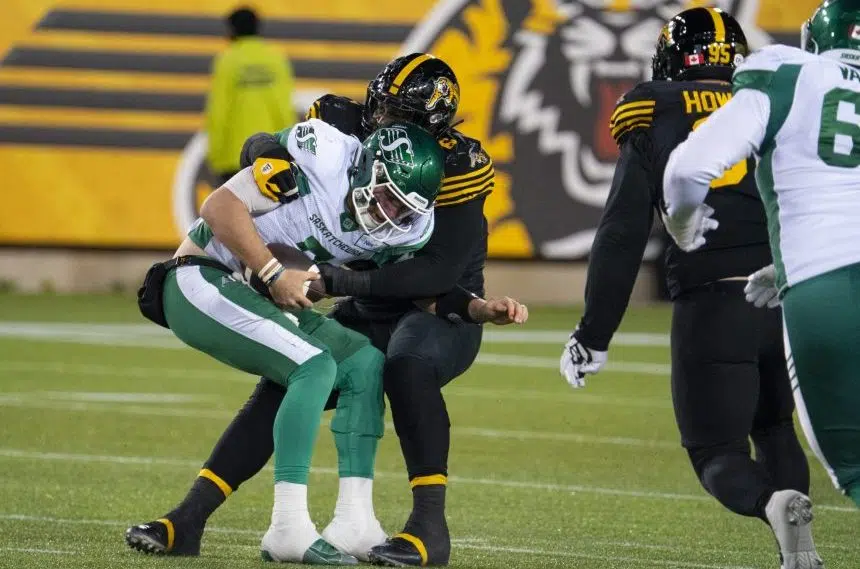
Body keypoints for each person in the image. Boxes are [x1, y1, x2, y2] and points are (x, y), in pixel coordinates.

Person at [127, 53, 527, 567]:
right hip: (321, 287)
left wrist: (473, 307)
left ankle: (422, 526)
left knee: (403, 365)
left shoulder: (439, 183)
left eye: (397, 115)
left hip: (430, 304)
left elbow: (433, 277)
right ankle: (196, 517)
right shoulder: (337, 142)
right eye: (381, 108)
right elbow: (261, 160)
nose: (379, 121)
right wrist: (265, 152)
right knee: (297, 378)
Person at [558, 7, 821, 569]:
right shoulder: (773, 96)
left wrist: (593, 333)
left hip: (715, 299)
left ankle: (771, 503)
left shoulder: (655, 105)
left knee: (715, 452)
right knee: (775, 427)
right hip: (789, 294)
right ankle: (802, 550)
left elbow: (622, 234)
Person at [130, 119, 445, 565]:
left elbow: (410, 282)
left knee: (364, 362)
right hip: (199, 277)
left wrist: (475, 308)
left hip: (266, 294)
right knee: (315, 366)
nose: (390, 216)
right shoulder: (320, 159)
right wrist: (273, 272)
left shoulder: (406, 229)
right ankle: (289, 527)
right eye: (388, 197)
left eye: (403, 209)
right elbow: (218, 207)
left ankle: (355, 522)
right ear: (366, 168)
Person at [663, 0, 860, 515]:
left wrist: (682, 227)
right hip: (819, 271)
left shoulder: (788, 71)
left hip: (825, 286)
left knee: (853, 463)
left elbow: (687, 171)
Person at [205, 6, 296, 185]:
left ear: (232, 30)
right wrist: (289, 150)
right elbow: (284, 109)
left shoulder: (227, 60)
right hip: (271, 156)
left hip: (233, 157)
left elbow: (218, 111)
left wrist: (215, 156)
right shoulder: (275, 58)